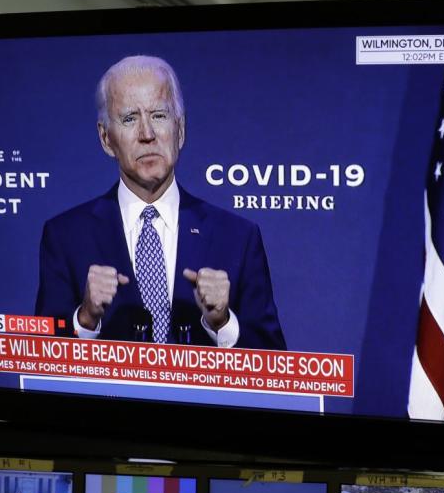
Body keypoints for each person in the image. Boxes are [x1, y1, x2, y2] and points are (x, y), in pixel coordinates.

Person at [35, 55, 286, 349]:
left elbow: (274, 362)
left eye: (159, 115)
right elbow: (42, 360)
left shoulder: (238, 237)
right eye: (130, 118)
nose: (147, 134)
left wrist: (222, 323)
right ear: (106, 138)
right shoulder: (66, 236)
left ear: (180, 130)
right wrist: (86, 318)